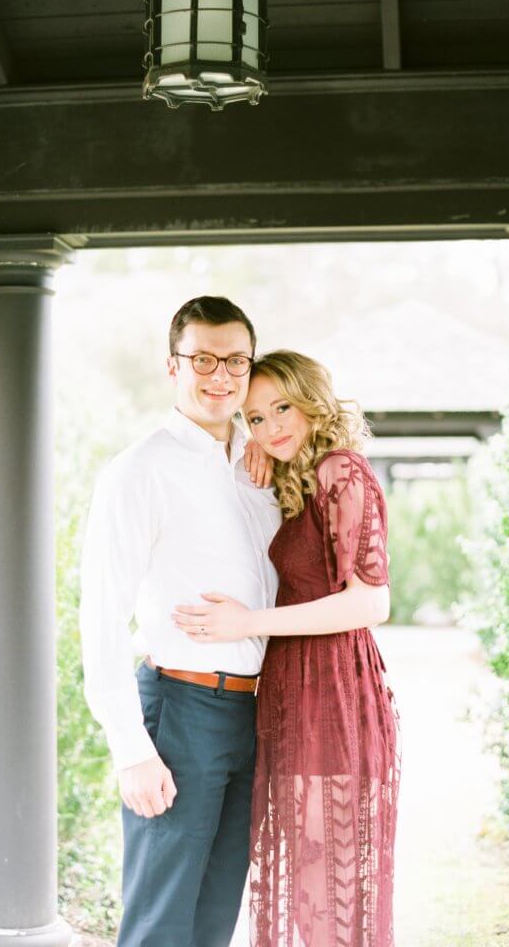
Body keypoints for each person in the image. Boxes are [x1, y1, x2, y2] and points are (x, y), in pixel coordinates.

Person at [174, 350, 401, 947]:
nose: (270, 426)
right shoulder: (298, 476)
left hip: (334, 689)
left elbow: (371, 602)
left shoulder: (340, 470)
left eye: (282, 408)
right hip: (292, 689)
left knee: (329, 886)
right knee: (310, 883)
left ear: (312, 402)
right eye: (254, 418)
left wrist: (250, 622)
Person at [78, 296, 281, 947]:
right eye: (203, 359)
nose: (220, 375)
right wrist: (132, 751)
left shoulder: (261, 469)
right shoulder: (139, 472)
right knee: (161, 922)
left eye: (236, 361)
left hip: (253, 713)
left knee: (214, 913)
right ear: (173, 365)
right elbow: (101, 615)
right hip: (180, 711)